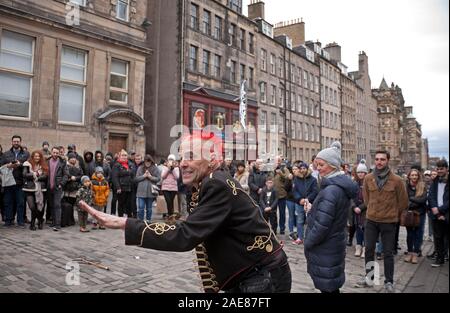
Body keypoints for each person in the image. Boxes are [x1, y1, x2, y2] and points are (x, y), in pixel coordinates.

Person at [79, 133, 292, 293]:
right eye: (182, 157)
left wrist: (125, 224)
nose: (183, 163)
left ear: (213, 160)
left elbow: (185, 234)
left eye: (191, 156)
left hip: (261, 278)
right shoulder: (209, 181)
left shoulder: (215, 184)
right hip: (253, 274)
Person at [304, 142, 358, 293]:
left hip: (326, 245)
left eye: (321, 165)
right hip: (334, 242)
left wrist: (308, 242)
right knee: (331, 285)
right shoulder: (337, 187)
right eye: (317, 164)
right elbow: (329, 214)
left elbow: (322, 225)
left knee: (328, 287)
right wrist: (313, 209)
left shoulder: (331, 190)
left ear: (333, 166)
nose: (318, 168)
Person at [356, 150, 408, 293]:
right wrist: (373, 208)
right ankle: (370, 277)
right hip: (371, 219)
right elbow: (366, 199)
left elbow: (403, 202)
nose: (379, 162)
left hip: (388, 221)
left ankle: (388, 281)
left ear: (388, 161)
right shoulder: (368, 178)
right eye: (377, 159)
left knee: (388, 252)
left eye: (382, 159)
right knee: (369, 250)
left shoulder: (396, 180)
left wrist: (391, 212)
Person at [1, 135, 30, 227]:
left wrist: (20, 164)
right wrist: (8, 166)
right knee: (8, 202)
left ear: (20, 142)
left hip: (20, 181)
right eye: (14, 141)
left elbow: (28, 166)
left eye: (18, 141)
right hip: (9, 181)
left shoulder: (26, 154)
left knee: (20, 202)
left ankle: (20, 221)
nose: (16, 143)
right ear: (12, 142)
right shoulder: (6, 154)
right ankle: (9, 220)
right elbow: (1, 166)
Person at [404, 168, 427, 264]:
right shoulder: (406, 186)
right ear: (409, 176)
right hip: (409, 213)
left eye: (416, 175)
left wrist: (411, 199)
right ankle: (409, 252)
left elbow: (423, 200)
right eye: (412, 175)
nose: (414, 177)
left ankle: (415, 253)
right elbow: (404, 200)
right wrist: (415, 200)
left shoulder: (422, 186)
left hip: (420, 213)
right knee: (410, 234)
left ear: (418, 176)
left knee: (418, 234)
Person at [428, 159, 449, 267]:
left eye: (442, 169)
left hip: (446, 213)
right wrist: (436, 211)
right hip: (436, 214)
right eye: (438, 168)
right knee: (438, 237)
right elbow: (431, 196)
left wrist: (440, 210)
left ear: (446, 169)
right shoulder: (435, 181)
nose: (440, 171)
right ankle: (440, 259)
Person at [292, 162, 318, 245]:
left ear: (307, 169)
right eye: (301, 168)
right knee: (299, 220)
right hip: (299, 203)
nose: (302, 170)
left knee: (310, 220)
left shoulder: (313, 179)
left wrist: (308, 199)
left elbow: (314, 191)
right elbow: (294, 191)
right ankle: (300, 237)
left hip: (310, 203)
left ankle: (310, 237)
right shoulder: (296, 179)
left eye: (304, 168)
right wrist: (299, 199)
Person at [22, 150, 48, 231]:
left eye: (38, 156)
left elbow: (45, 176)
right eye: (35, 156)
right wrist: (35, 174)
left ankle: (35, 223)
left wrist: (36, 177)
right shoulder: (27, 164)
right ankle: (38, 220)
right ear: (32, 156)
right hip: (29, 188)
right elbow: (25, 174)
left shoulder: (43, 165)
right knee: (32, 207)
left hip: (41, 188)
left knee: (39, 207)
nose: (37, 158)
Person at [47, 147, 68, 231]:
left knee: (57, 205)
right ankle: (53, 221)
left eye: (57, 153)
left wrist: (61, 184)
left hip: (57, 187)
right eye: (54, 152)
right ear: (51, 153)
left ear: (59, 153)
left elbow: (66, 175)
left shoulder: (62, 162)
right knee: (51, 205)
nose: (55, 154)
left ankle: (58, 224)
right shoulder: (47, 161)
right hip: (49, 187)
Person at [351, 160, 369, 258]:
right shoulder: (354, 183)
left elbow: (369, 199)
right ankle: (358, 246)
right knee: (358, 228)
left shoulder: (369, 183)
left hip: (365, 210)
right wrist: (354, 207)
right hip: (356, 210)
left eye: (362, 172)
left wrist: (361, 207)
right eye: (359, 172)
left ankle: (365, 247)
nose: (360, 174)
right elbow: (351, 197)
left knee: (365, 229)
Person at [135, 155, 160, 221]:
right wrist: (144, 176)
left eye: (149, 162)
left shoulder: (155, 168)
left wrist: (150, 177)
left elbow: (158, 179)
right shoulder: (140, 168)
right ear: (144, 161)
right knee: (141, 207)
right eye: (146, 162)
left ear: (151, 162)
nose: (148, 163)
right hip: (141, 191)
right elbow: (136, 178)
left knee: (149, 208)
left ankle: (148, 221)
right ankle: (141, 221)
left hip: (150, 192)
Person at [111, 150, 135, 218]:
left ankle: (127, 217)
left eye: (125, 155)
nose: (124, 157)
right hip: (121, 187)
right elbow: (114, 177)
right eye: (123, 155)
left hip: (129, 187)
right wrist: (118, 187)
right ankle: (120, 217)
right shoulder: (116, 165)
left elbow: (133, 174)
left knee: (128, 204)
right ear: (119, 156)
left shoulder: (130, 164)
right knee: (121, 203)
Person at [272, 156, 291, 236]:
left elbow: (288, 178)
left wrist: (281, 173)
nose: (278, 162)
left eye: (279, 161)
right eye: (277, 160)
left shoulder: (285, 169)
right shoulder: (271, 169)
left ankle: (282, 228)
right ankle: (274, 228)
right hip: (273, 195)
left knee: (282, 213)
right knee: (273, 213)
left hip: (282, 194)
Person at [160, 154, 180, 224]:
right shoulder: (165, 167)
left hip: (173, 188)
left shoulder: (176, 168)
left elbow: (177, 177)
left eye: (172, 160)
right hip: (165, 188)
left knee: (171, 202)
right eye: (170, 160)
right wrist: (168, 169)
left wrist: (173, 169)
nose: (171, 161)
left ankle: (170, 217)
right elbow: (163, 176)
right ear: (168, 161)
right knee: (168, 201)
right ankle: (171, 216)